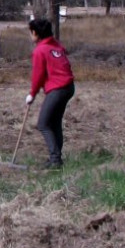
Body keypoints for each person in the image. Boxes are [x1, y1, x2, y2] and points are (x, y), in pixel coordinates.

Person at [26, 18, 75, 168]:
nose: (30, 35)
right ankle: (56, 158)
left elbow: (38, 75)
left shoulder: (40, 51)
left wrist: (32, 94)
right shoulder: (56, 46)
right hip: (69, 87)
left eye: (31, 32)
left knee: (43, 124)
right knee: (54, 123)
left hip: (58, 89)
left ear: (36, 33)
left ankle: (55, 160)